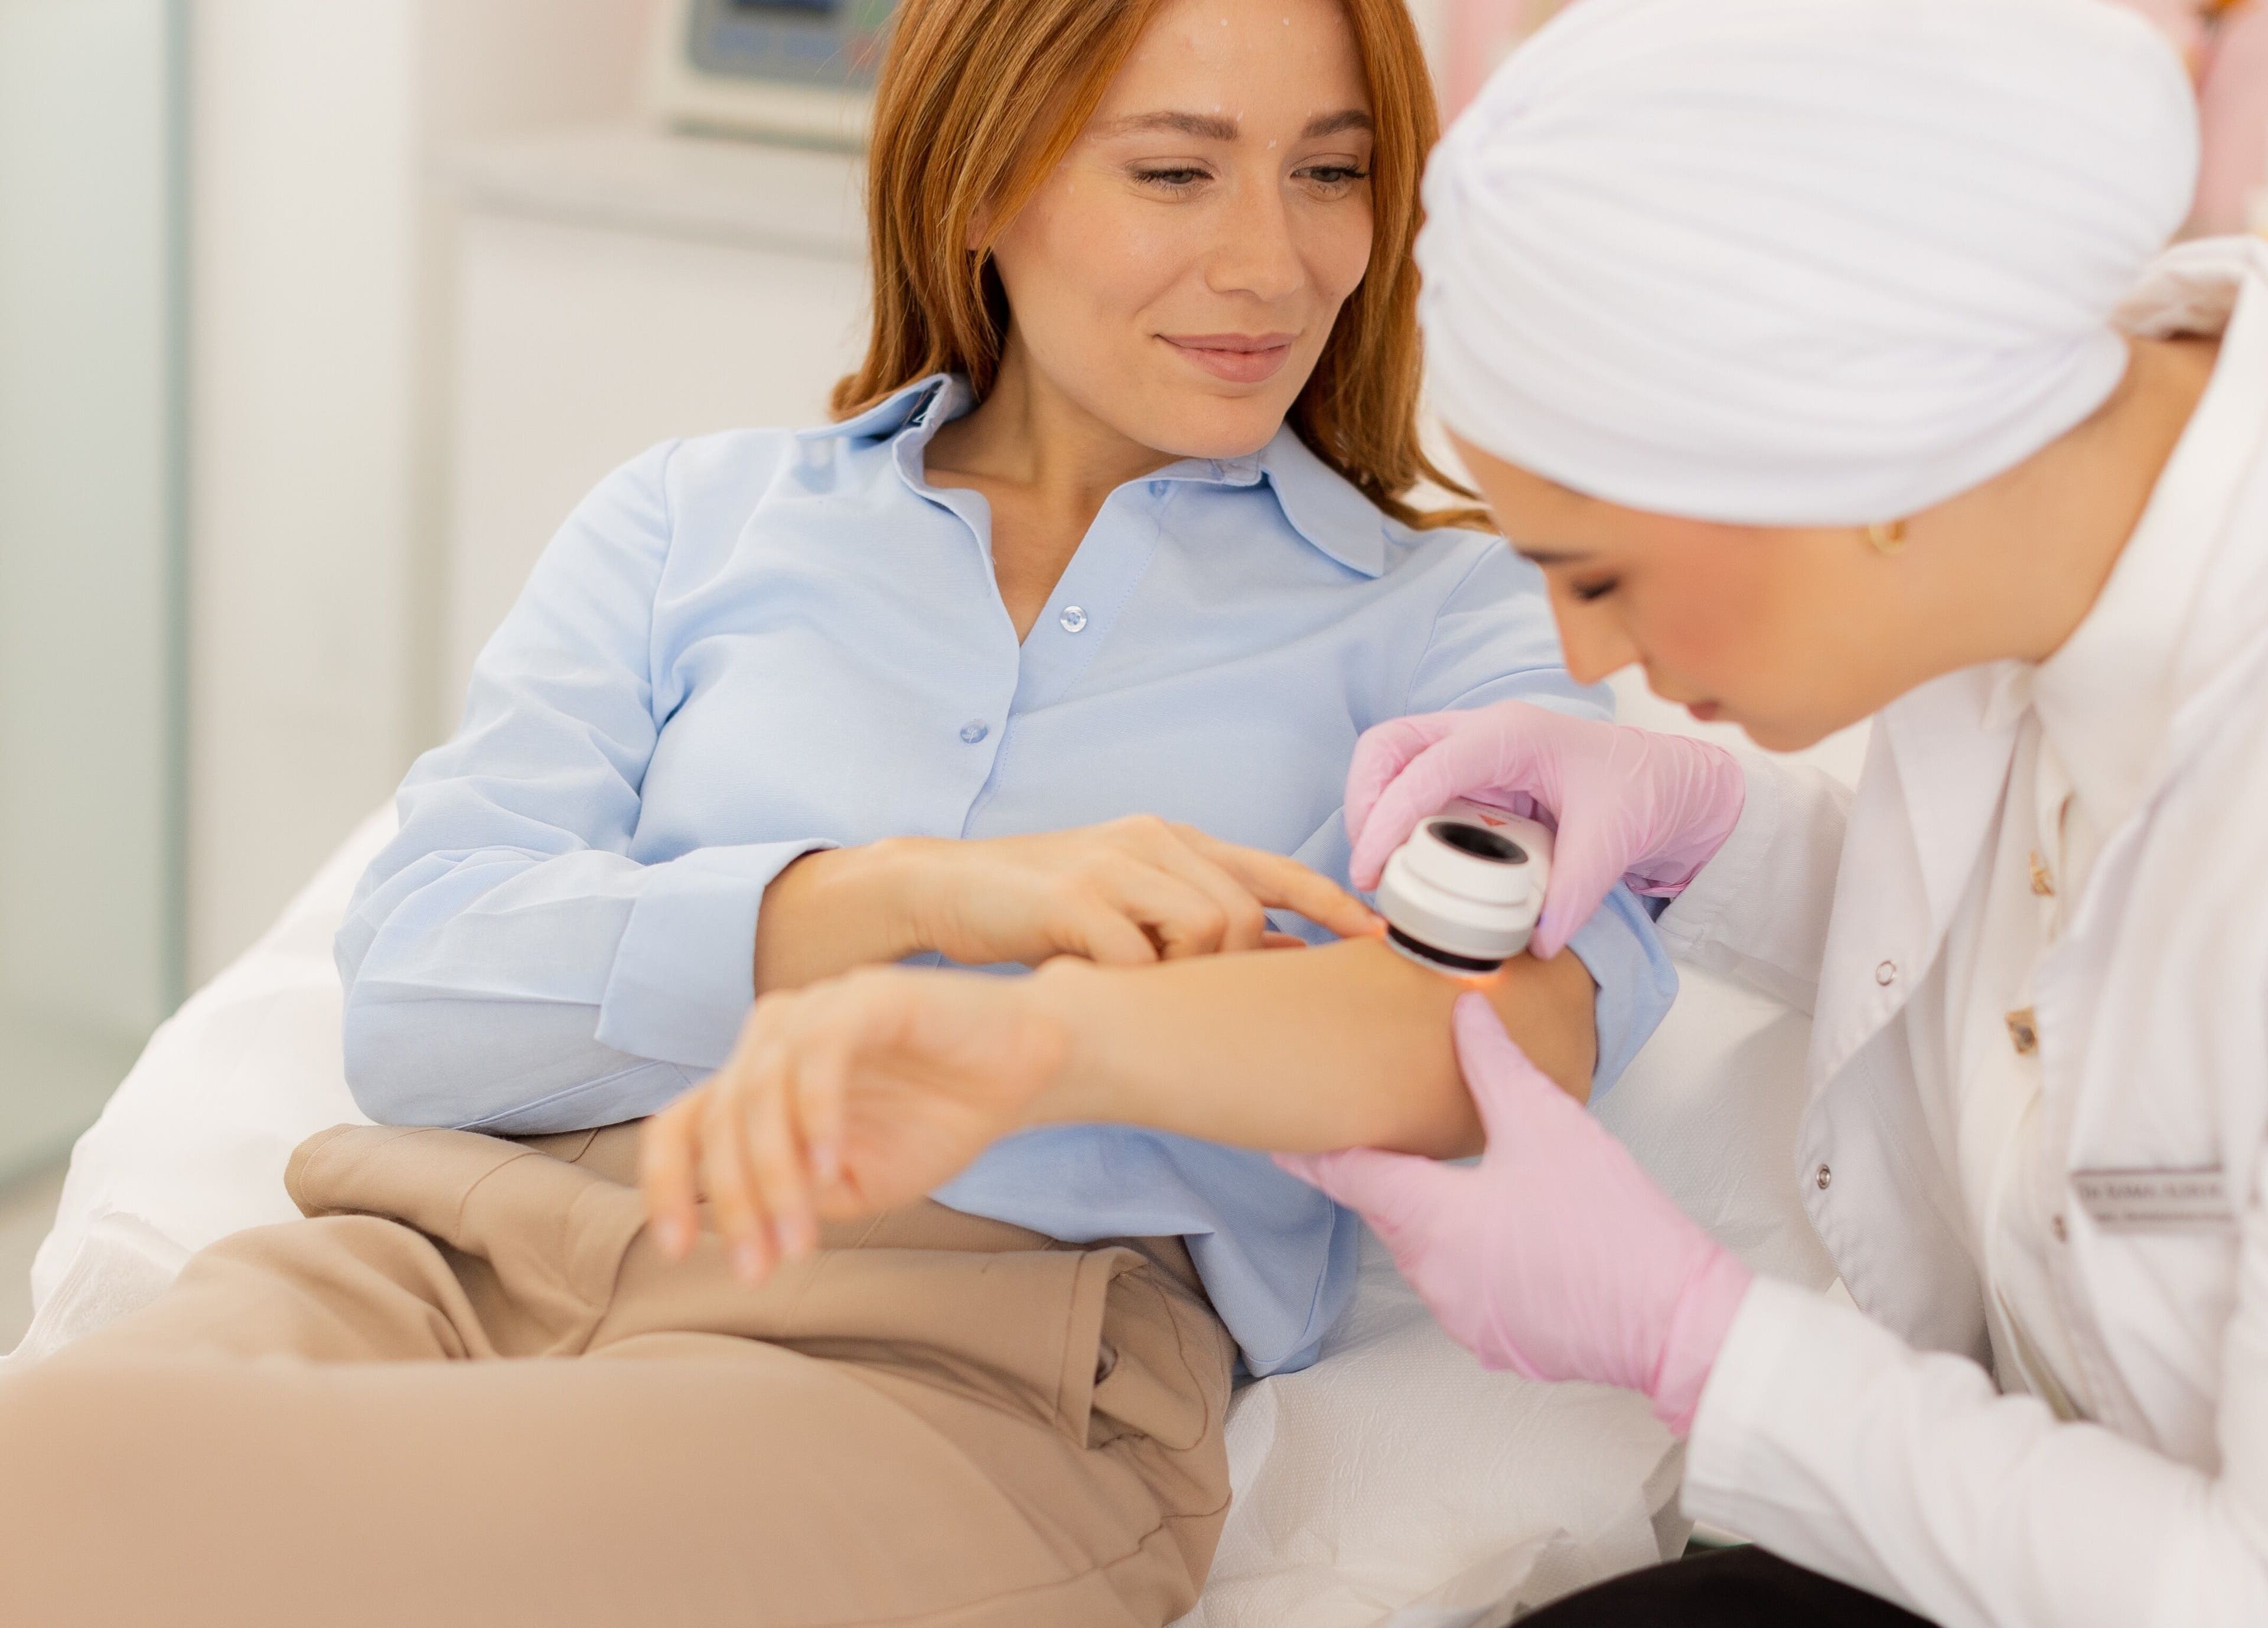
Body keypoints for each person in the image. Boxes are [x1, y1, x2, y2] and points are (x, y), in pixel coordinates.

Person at [0, 0, 1676, 1623]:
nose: (1276, 258)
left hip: (946, 1361)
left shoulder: (1449, 617)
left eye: (1334, 170)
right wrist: (905, 898)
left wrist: (1046, 1039)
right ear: (977, 180)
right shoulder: (689, 519)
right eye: (1176, 172)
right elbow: (423, 994)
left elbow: (1506, 1040)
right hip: (432, 1262)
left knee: (183, 1531)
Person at [650, 0, 2268, 1622]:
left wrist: (1708, 1344)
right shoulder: (2026, 516)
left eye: (1603, 573)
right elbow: (2054, 956)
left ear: (1864, 475)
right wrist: (1716, 833)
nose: (1583, 654)